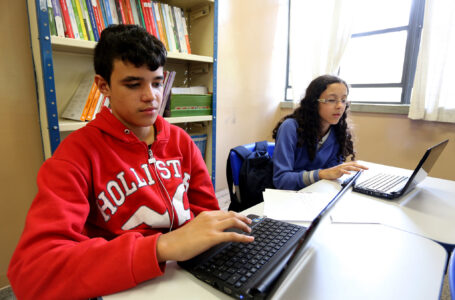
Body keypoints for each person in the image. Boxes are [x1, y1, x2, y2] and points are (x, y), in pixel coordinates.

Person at [8, 24, 253, 300]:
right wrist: (161, 247)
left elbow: (207, 216)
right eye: (134, 84)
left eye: (158, 82)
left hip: (190, 282)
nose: (152, 96)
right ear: (103, 86)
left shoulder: (181, 142)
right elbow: (32, 274)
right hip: (126, 287)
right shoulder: (75, 155)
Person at [272, 75, 367, 190]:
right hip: (287, 198)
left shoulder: (338, 132)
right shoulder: (290, 128)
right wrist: (321, 174)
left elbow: (331, 174)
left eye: (343, 100)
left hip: (315, 195)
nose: (340, 106)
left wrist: (336, 172)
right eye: (331, 100)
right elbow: (281, 180)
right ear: (314, 102)